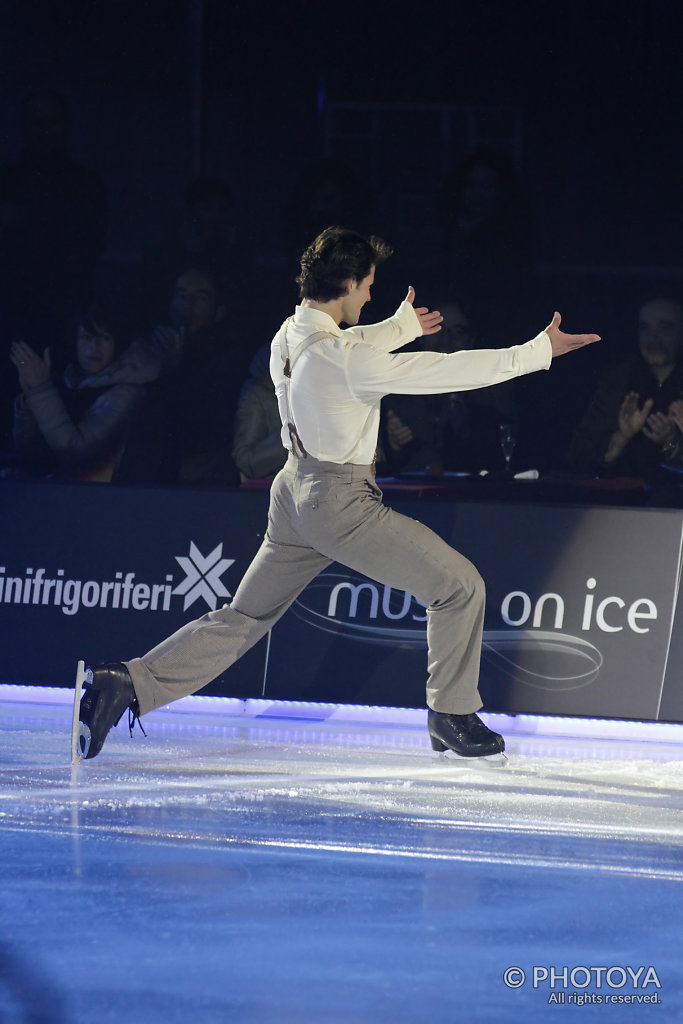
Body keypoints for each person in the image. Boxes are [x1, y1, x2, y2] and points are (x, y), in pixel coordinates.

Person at [75, 227, 599, 762]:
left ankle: (126, 682)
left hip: (293, 493)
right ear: (347, 283)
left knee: (242, 618)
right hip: (340, 503)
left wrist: (395, 328)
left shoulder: (289, 333)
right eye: (368, 286)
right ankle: (452, 713)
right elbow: (444, 370)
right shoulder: (346, 359)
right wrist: (537, 351)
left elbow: (345, 345)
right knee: (461, 586)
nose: (370, 296)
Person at [10, 305, 145, 482]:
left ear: (117, 344)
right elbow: (28, 450)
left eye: (105, 338)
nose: (94, 346)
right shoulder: (68, 383)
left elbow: (75, 454)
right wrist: (30, 402)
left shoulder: (126, 394)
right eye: (86, 337)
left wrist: (41, 392)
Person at [568, 297, 683, 480]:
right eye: (645, 328)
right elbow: (578, 455)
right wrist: (620, 438)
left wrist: (672, 443)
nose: (653, 338)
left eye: (665, 328)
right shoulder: (617, 379)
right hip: (620, 502)